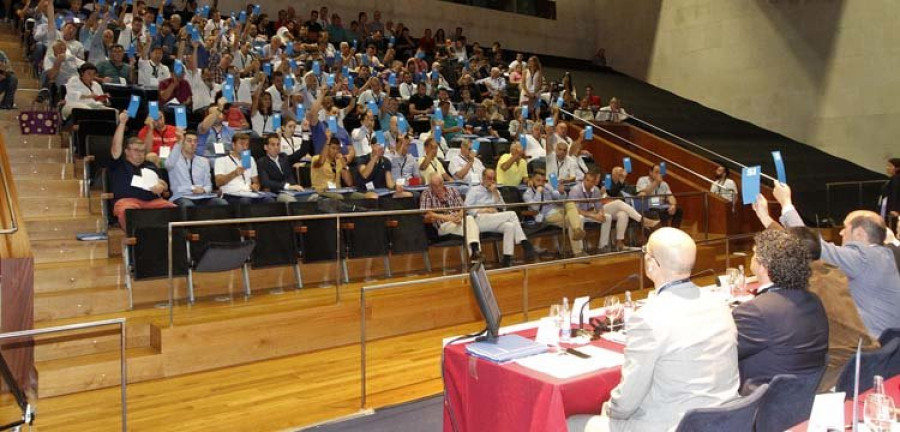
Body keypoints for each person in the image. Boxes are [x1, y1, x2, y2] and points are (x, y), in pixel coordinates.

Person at [568, 227, 739, 432]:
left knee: (570, 423)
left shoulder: (649, 316)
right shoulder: (718, 302)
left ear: (651, 264)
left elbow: (627, 400)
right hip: (729, 418)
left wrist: (608, 411)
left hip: (676, 425)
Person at [766, 182, 900, 340]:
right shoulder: (884, 255)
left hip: (874, 348)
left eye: (845, 227)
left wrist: (786, 203)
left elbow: (811, 243)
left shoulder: (862, 258)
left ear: (859, 233)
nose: (841, 232)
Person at [732, 229, 829, 393]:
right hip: (804, 395)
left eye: (755, 254)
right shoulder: (814, 300)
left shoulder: (755, 311)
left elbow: (723, 353)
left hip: (761, 401)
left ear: (763, 266)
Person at [108, 111, 176, 229]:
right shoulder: (119, 163)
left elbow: (163, 183)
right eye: (136, 150)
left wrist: (161, 185)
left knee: (175, 211)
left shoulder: (149, 164)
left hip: (153, 201)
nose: (140, 154)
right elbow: (116, 146)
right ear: (127, 151)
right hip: (128, 201)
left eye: (142, 151)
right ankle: (137, 243)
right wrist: (122, 123)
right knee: (129, 213)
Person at [464, 169, 537, 267]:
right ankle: (524, 242)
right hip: (480, 220)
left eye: (494, 179)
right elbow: (466, 207)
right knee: (512, 214)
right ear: (483, 178)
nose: (492, 181)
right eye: (489, 178)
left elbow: (503, 207)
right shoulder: (474, 190)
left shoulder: (496, 190)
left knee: (510, 226)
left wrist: (494, 192)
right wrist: (483, 210)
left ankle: (507, 258)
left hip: (494, 219)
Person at [420, 172, 481, 260]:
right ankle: (476, 251)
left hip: (459, 222)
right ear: (430, 185)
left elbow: (463, 208)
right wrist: (447, 218)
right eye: (434, 186)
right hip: (443, 226)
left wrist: (459, 216)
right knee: (472, 227)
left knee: (469, 219)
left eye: (440, 184)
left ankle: (475, 256)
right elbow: (426, 214)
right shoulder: (426, 194)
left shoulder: (452, 190)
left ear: (443, 182)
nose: (438, 188)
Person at [523, 170, 586, 255]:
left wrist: (561, 192)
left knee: (570, 203)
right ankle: (578, 251)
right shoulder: (527, 194)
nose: (541, 183)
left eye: (543, 181)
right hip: (546, 216)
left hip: (558, 210)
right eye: (538, 180)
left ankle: (577, 230)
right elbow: (535, 207)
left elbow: (559, 198)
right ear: (532, 180)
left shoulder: (547, 187)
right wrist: (538, 192)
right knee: (578, 219)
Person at [164, 130, 228, 207]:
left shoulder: (203, 161)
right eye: (189, 141)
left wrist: (204, 190)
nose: (192, 143)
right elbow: (168, 164)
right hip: (182, 196)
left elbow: (209, 185)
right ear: (182, 143)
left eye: (195, 141)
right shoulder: (174, 160)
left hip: (203, 196)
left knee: (221, 203)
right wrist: (178, 142)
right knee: (189, 206)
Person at [214, 133, 274, 204]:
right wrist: (234, 173)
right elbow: (218, 182)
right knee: (246, 201)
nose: (245, 147)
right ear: (233, 145)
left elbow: (256, 182)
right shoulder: (221, 160)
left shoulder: (250, 159)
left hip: (248, 193)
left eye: (247, 145)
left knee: (269, 200)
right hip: (230, 194)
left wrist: (256, 186)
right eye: (241, 144)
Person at [568, 169, 618, 253]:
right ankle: (580, 250)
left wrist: (601, 214)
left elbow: (599, 206)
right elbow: (575, 210)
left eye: (592, 181)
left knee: (607, 217)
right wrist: (594, 215)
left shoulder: (596, 190)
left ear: (595, 182)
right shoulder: (575, 190)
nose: (589, 183)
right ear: (583, 180)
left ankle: (602, 246)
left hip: (590, 213)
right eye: (587, 180)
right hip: (580, 214)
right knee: (580, 218)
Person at [257, 134, 310, 203]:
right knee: (292, 201)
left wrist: (305, 132)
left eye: (278, 144)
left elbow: (302, 152)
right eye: (273, 145)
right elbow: (266, 182)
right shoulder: (262, 162)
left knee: (314, 197)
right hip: (278, 193)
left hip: (294, 191)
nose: (276, 147)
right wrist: (287, 186)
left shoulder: (284, 157)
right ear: (266, 147)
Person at [878, 158, 900, 228]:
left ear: (897, 168)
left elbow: (895, 193)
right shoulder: (893, 178)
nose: (887, 168)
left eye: (890, 166)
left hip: (893, 209)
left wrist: (894, 208)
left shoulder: (896, 178)